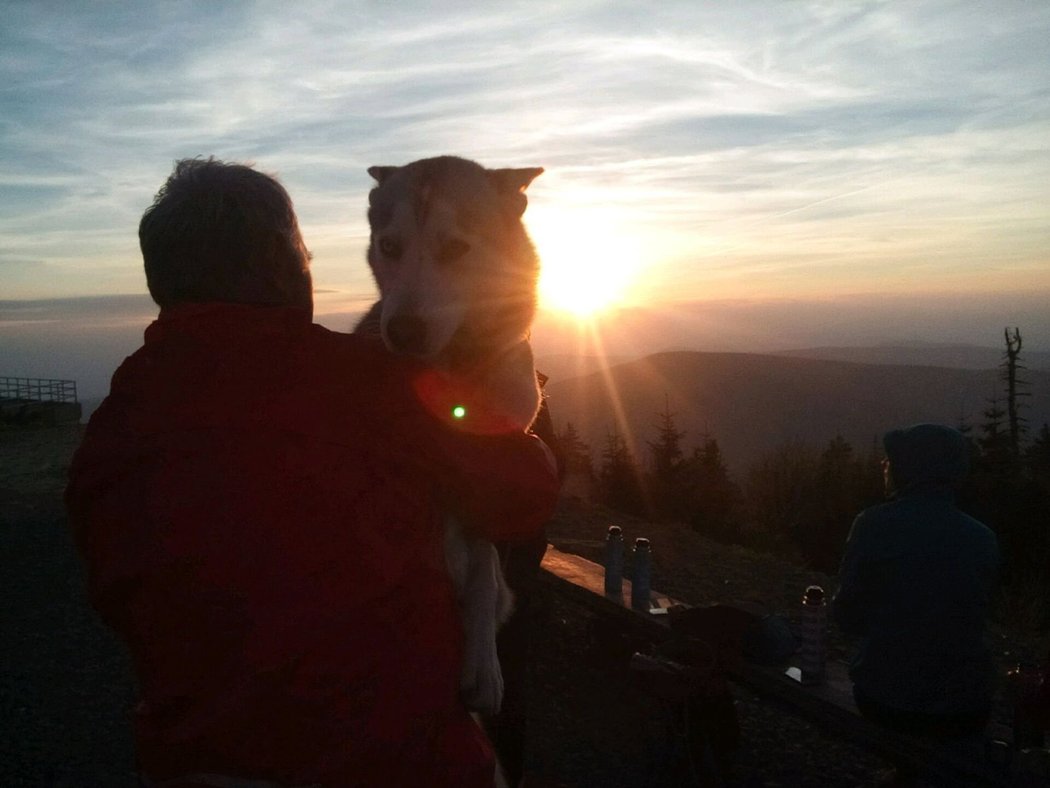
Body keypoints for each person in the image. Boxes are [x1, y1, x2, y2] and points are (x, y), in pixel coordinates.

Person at [65, 158, 560, 787]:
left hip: (196, 761)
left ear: (161, 278)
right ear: (283, 264)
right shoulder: (364, 383)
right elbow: (521, 494)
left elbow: (116, 595)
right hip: (397, 763)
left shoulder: (110, 435)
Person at [832, 423, 1000, 744]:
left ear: (909, 470)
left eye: (890, 462)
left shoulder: (872, 525)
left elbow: (847, 618)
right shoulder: (983, 538)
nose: (885, 467)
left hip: (887, 702)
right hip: (968, 709)